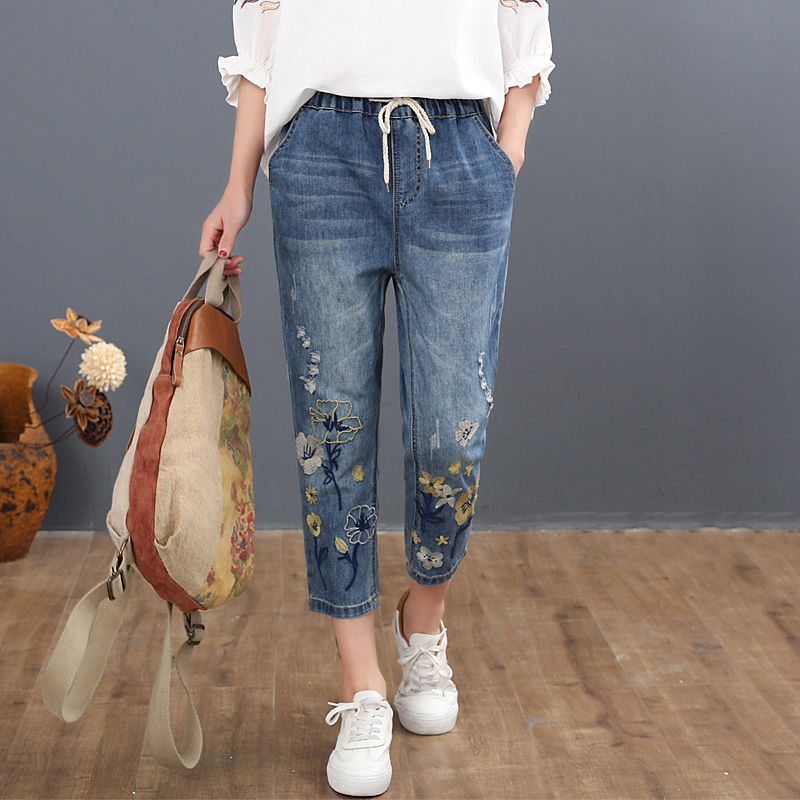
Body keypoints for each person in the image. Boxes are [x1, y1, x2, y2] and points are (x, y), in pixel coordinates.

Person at [200, 1, 554, 795]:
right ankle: (361, 684)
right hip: (324, 154)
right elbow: (266, 27)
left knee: (451, 433)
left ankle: (421, 622)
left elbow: (523, 16)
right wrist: (237, 185)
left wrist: (507, 152)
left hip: (458, 152)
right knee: (333, 432)